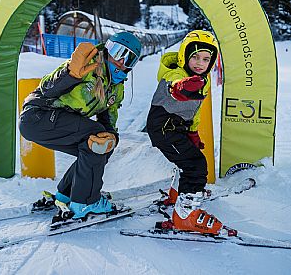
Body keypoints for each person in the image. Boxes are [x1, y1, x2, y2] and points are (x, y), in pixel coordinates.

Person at [19, 31, 141, 220]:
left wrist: (112, 137)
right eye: (118, 52)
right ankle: (85, 201)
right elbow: (47, 88)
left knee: (101, 143)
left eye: (129, 59)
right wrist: (69, 74)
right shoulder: (88, 63)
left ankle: (67, 194)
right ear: (107, 49)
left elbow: (108, 119)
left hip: (56, 121)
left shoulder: (116, 88)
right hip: (38, 115)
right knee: (97, 138)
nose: (121, 62)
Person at [147, 30, 223, 235]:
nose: (200, 63)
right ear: (184, 57)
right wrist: (181, 87)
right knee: (195, 164)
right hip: (163, 129)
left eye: (206, 59)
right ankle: (185, 217)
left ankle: (178, 195)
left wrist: (193, 133)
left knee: (190, 157)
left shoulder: (202, 79)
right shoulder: (177, 74)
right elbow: (175, 86)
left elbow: (194, 110)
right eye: (195, 57)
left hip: (177, 127)